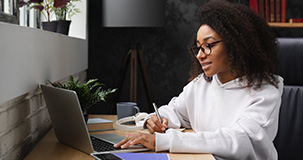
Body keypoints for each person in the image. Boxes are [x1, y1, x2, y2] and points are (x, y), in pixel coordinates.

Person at [114, 0, 284, 159]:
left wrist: (164, 140)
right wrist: (158, 119)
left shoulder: (265, 93)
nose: (200, 55)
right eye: (198, 47)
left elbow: (238, 140)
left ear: (236, 44)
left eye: (209, 46)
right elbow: (176, 111)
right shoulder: (201, 83)